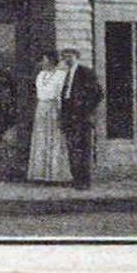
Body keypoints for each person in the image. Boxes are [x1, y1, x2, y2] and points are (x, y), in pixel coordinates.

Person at [57, 48, 103, 189]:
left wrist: (86, 110)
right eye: (65, 56)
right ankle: (76, 178)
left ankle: (85, 180)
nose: (67, 59)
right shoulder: (66, 74)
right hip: (70, 117)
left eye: (70, 56)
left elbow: (98, 94)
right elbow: (65, 96)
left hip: (83, 118)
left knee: (84, 148)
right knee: (72, 148)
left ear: (77, 56)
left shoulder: (86, 72)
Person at [26, 53, 71, 184]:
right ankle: (40, 174)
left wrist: (60, 111)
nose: (42, 63)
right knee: (41, 138)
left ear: (52, 61)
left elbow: (60, 95)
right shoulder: (40, 75)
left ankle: (56, 174)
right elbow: (39, 92)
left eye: (45, 60)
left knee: (54, 138)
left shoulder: (60, 75)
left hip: (53, 108)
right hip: (41, 108)